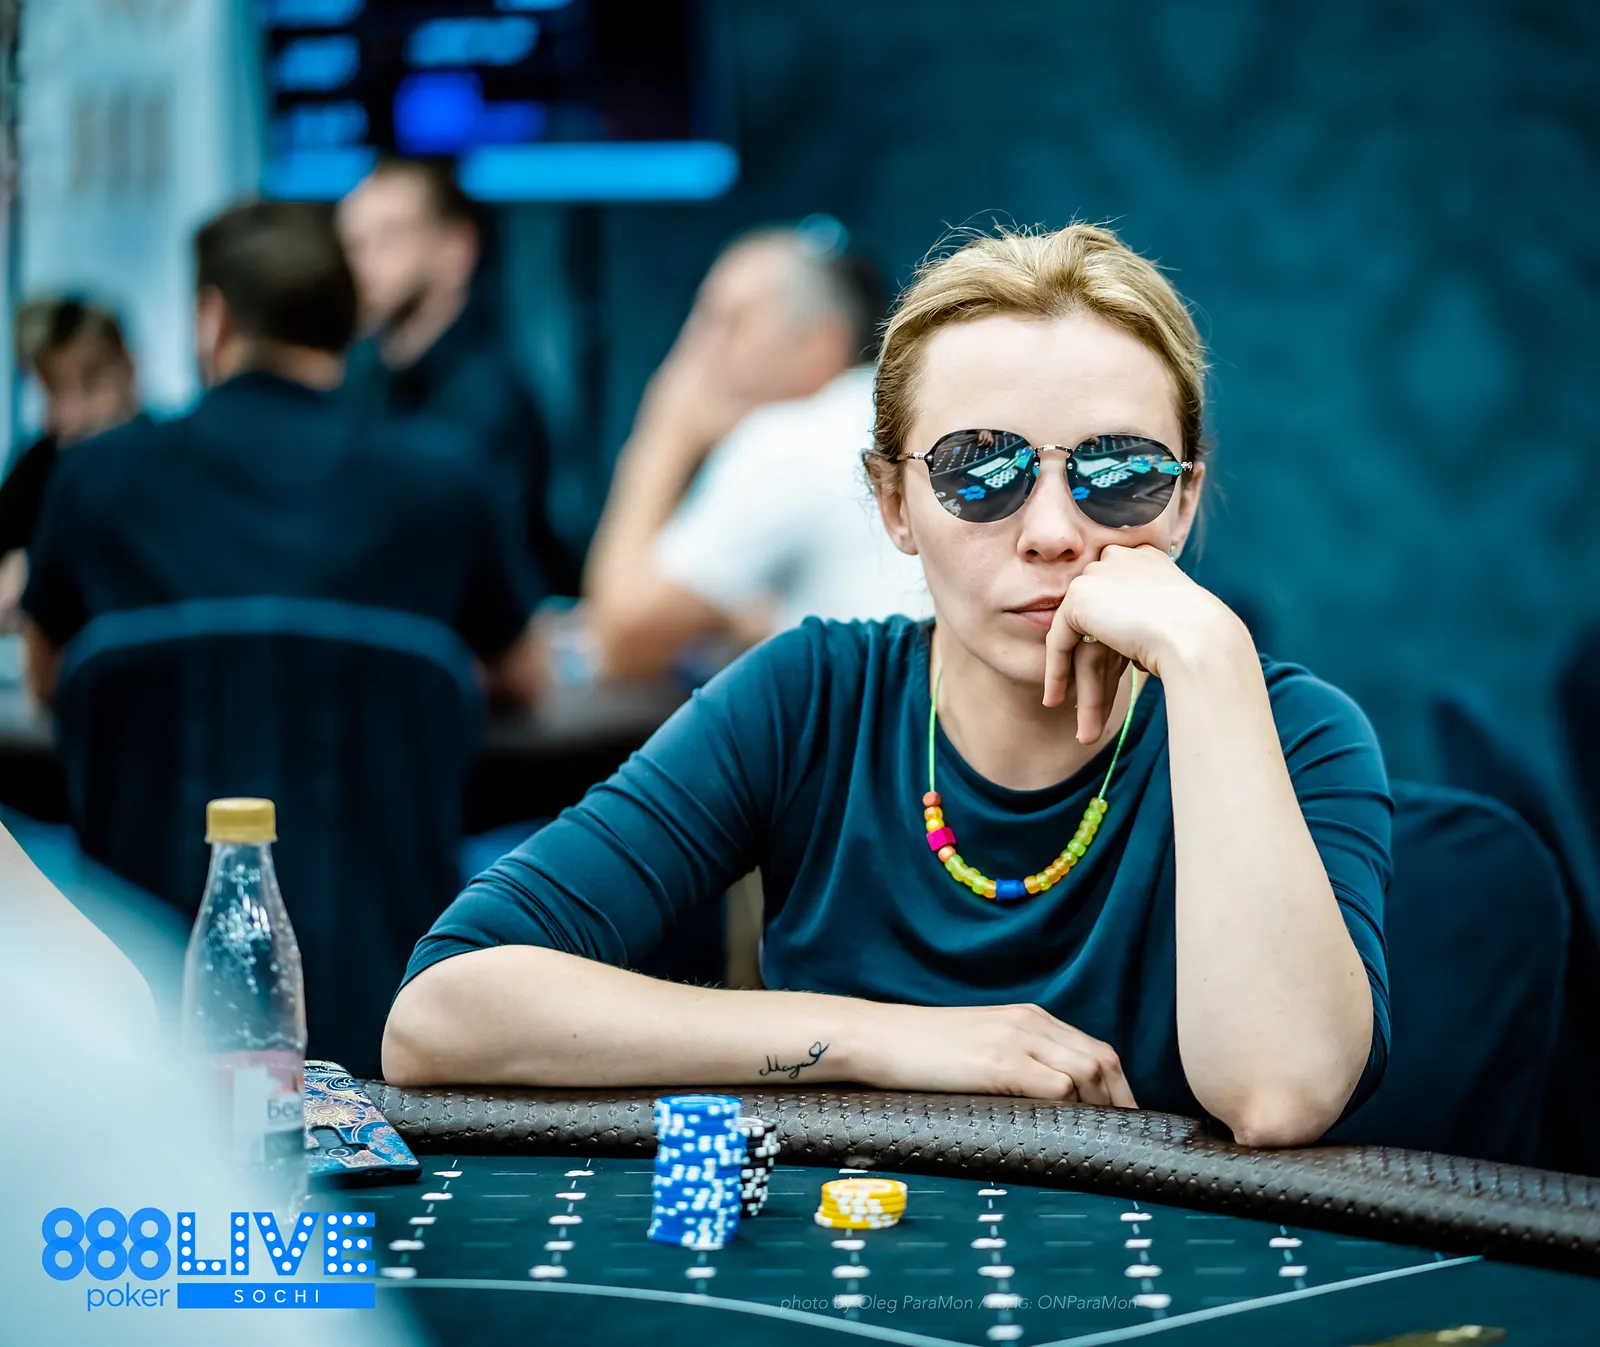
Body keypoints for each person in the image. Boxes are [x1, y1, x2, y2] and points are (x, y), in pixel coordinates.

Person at [384, 223, 1391, 1149]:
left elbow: (1279, 1095)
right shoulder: (812, 698)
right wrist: (884, 1038)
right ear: (894, 503)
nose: (1051, 531)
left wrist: (1211, 660)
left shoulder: (1293, 731)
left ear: (1182, 501)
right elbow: (439, 1014)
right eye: (979, 470)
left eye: (1120, 472)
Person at [19, 199, 542, 709]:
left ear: (213, 319)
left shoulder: (95, 479)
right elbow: (523, 675)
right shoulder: (443, 481)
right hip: (373, 774)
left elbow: (45, 678)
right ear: (347, 317)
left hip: (162, 774)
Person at [582, 225, 929, 680]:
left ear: (822, 342)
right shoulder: (905, 408)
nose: (697, 352)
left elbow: (621, 639)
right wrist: (736, 616)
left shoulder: (788, 439)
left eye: (730, 322)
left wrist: (663, 438)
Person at [337, 155, 577, 597]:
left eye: (388, 238)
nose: (360, 264)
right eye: (351, 244)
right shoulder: (357, 381)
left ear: (456, 249)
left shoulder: (489, 397)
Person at [0, 298, 141, 617]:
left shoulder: (170, 461)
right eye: (54, 391)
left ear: (131, 367)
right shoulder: (38, 467)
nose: (72, 414)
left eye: (91, 383)